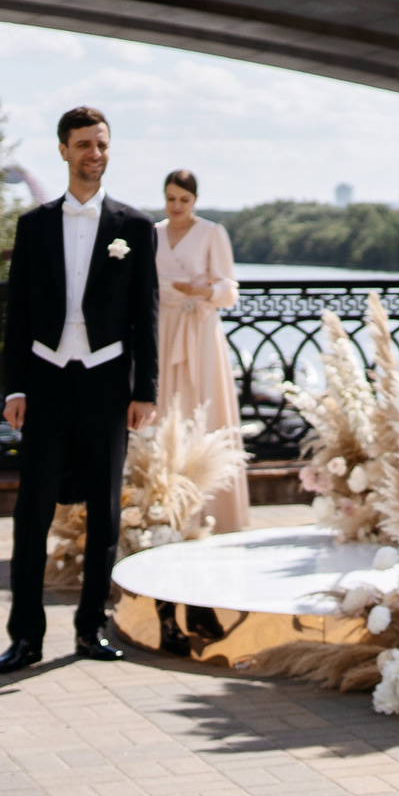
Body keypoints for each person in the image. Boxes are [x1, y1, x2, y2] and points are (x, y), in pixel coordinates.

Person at [0, 107, 160, 674]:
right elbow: (16, 315)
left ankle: (91, 629)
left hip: (108, 382)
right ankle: (25, 637)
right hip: (45, 379)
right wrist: (14, 386)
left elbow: (146, 315)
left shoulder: (135, 228)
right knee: (31, 510)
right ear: (63, 150)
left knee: (106, 513)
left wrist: (146, 389)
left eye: (102, 144)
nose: (94, 153)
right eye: (84, 144)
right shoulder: (33, 225)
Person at [153, 168, 250, 534]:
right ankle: (162, 507)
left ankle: (211, 512)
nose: (177, 206)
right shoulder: (154, 233)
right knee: (163, 412)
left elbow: (229, 291)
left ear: (195, 200)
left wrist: (200, 293)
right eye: (170, 199)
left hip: (198, 332)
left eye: (184, 200)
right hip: (163, 329)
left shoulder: (212, 233)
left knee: (203, 411)